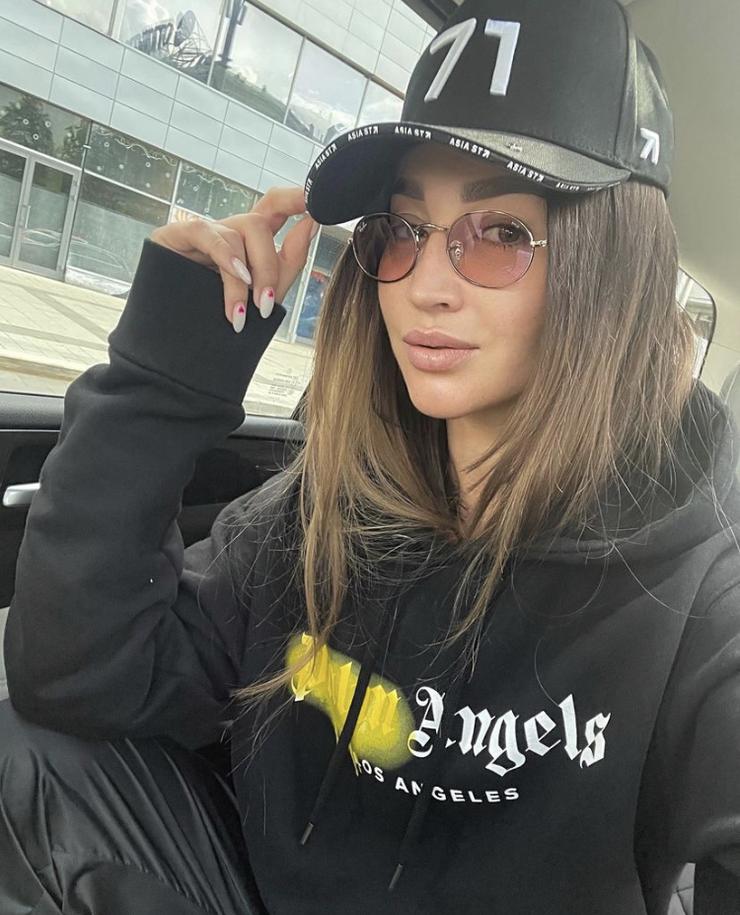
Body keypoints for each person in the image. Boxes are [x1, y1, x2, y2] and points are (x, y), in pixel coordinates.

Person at [1, 0, 739, 912]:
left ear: (610, 268)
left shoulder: (700, 594)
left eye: (500, 233)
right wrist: (166, 369)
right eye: (402, 228)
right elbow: (75, 674)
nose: (426, 285)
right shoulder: (322, 510)